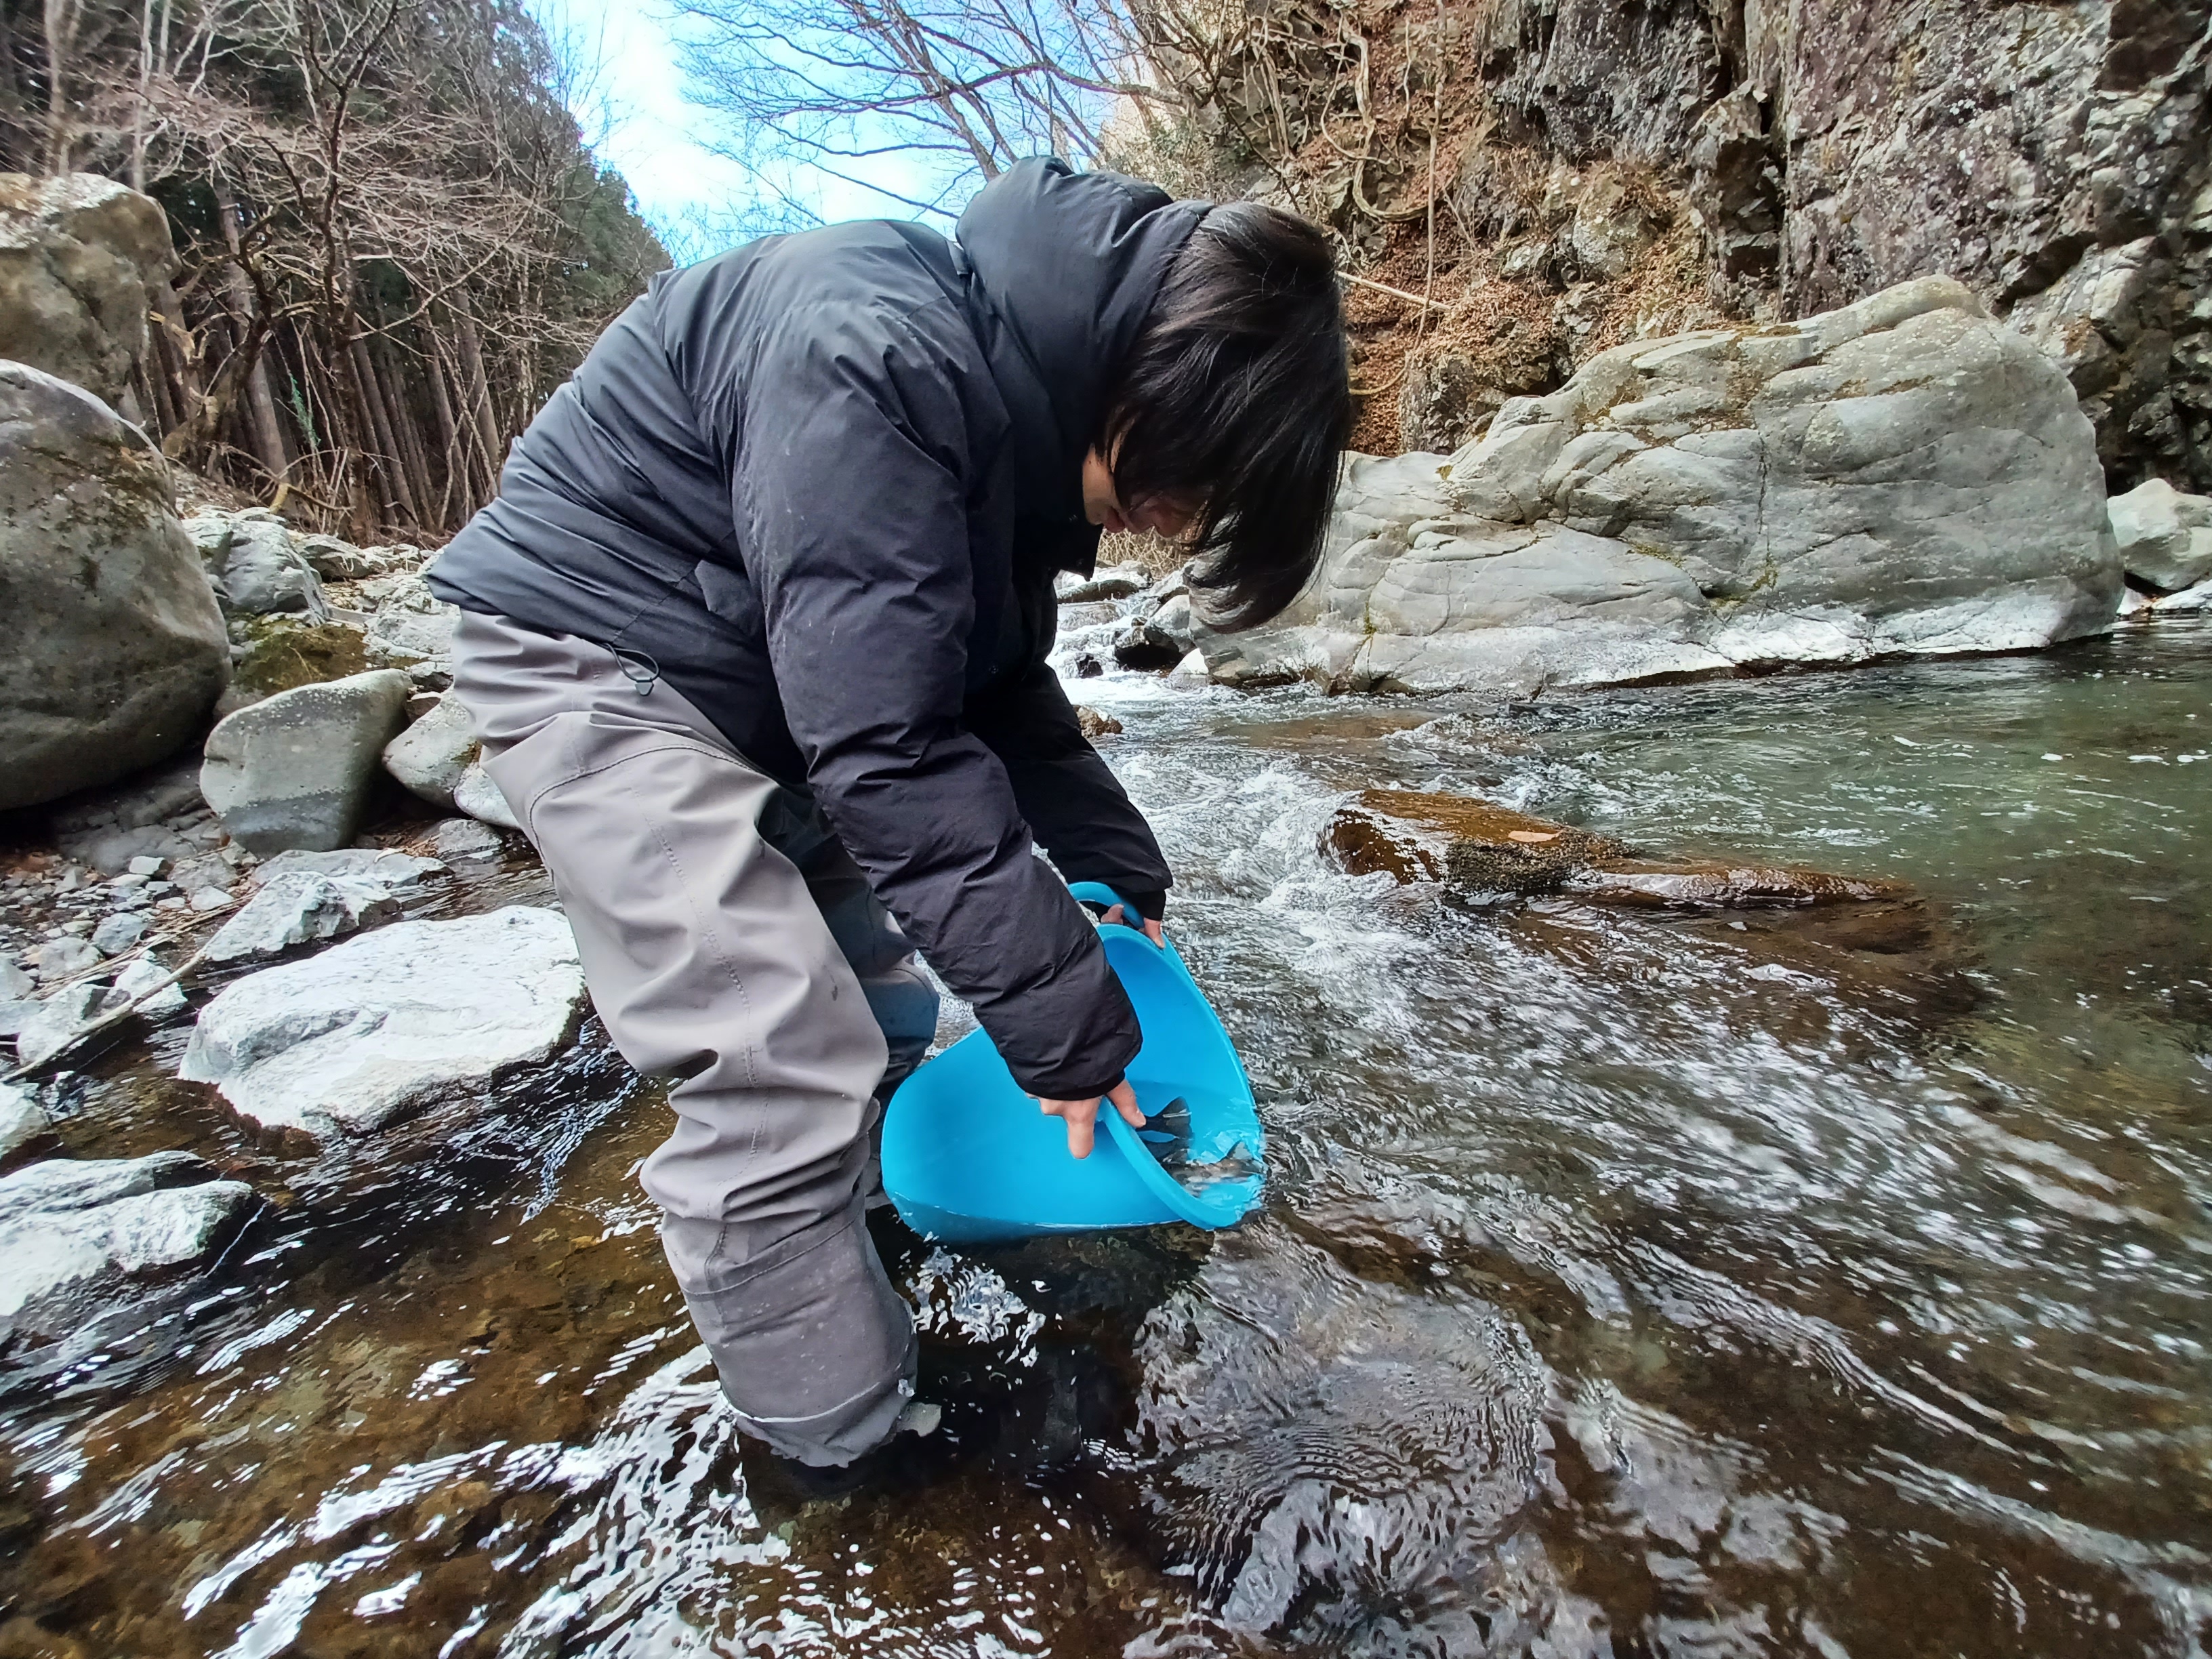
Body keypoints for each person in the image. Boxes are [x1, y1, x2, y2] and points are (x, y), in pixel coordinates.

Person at [428, 157, 1351, 1471]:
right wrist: (1066, 1029)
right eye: (1191, 488)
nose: (1173, 523)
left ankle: (854, 1247)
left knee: (884, 1001)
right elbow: (890, 748)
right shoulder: (878, 350)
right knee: (778, 1053)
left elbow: (986, 678)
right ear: (1156, 386)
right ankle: (842, 1459)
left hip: (771, 672)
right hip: (601, 652)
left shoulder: (1024, 429)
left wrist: (1104, 859)